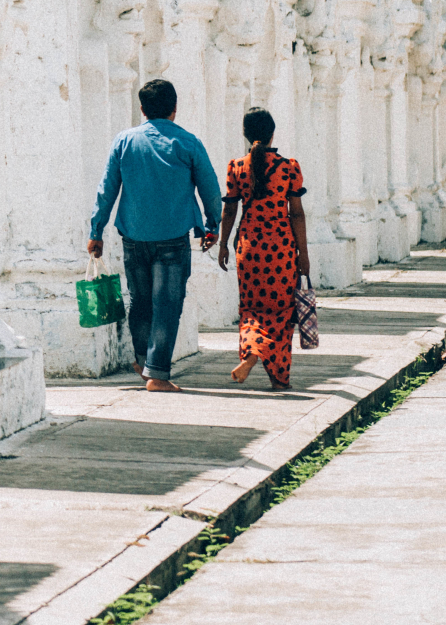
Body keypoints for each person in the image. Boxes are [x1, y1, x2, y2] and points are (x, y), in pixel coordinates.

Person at [87, 79, 221, 392]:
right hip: (173, 238)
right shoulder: (188, 143)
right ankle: (157, 374)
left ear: (143, 109)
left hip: (133, 236)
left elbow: (106, 189)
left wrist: (96, 231)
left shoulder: (125, 141)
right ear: (174, 109)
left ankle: (142, 358)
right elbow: (211, 190)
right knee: (168, 304)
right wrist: (212, 225)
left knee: (141, 302)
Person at [216, 107, 311, 390]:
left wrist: (223, 245)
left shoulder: (236, 167)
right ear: (272, 135)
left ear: (246, 135)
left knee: (251, 309)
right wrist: (303, 254)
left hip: (249, 247)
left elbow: (229, 211)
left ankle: (252, 351)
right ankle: (277, 376)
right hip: (281, 247)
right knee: (281, 312)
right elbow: (297, 213)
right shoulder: (288, 167)